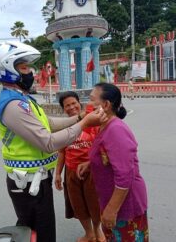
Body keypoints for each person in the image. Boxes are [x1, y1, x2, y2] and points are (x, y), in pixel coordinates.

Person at [0, 41, 107, 242]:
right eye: (24, 68)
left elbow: (49, 123)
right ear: (7, 70)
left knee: (34, 231)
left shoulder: (22, 98)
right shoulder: (13, 105)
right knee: (39, 234)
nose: (30, 72)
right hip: (27, 182)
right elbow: (48, 142)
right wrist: (85, 123)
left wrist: (78, 118)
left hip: (34, 179)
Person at [77, 82, 148, 242]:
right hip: (110, 200)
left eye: (91, 99)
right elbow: (107, 155)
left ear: (106, 105)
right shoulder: (104, 126)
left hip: (125, 206)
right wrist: (90, 164)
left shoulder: (116, 130)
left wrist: (111, 210)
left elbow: (125, 174)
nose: (88, 105)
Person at [55, 91, 105, 242]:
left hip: (92, 171)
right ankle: (89, 233)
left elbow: (103, 146)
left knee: (95, 204)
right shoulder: (64, 127)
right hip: (71, 172)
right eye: (67, 105)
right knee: (78, 205)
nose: (71, 107)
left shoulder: (92, 120)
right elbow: (62, 152)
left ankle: (98, 232)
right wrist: (58, 173)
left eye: (73, 103)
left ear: (79, 103)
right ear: (63, 109)